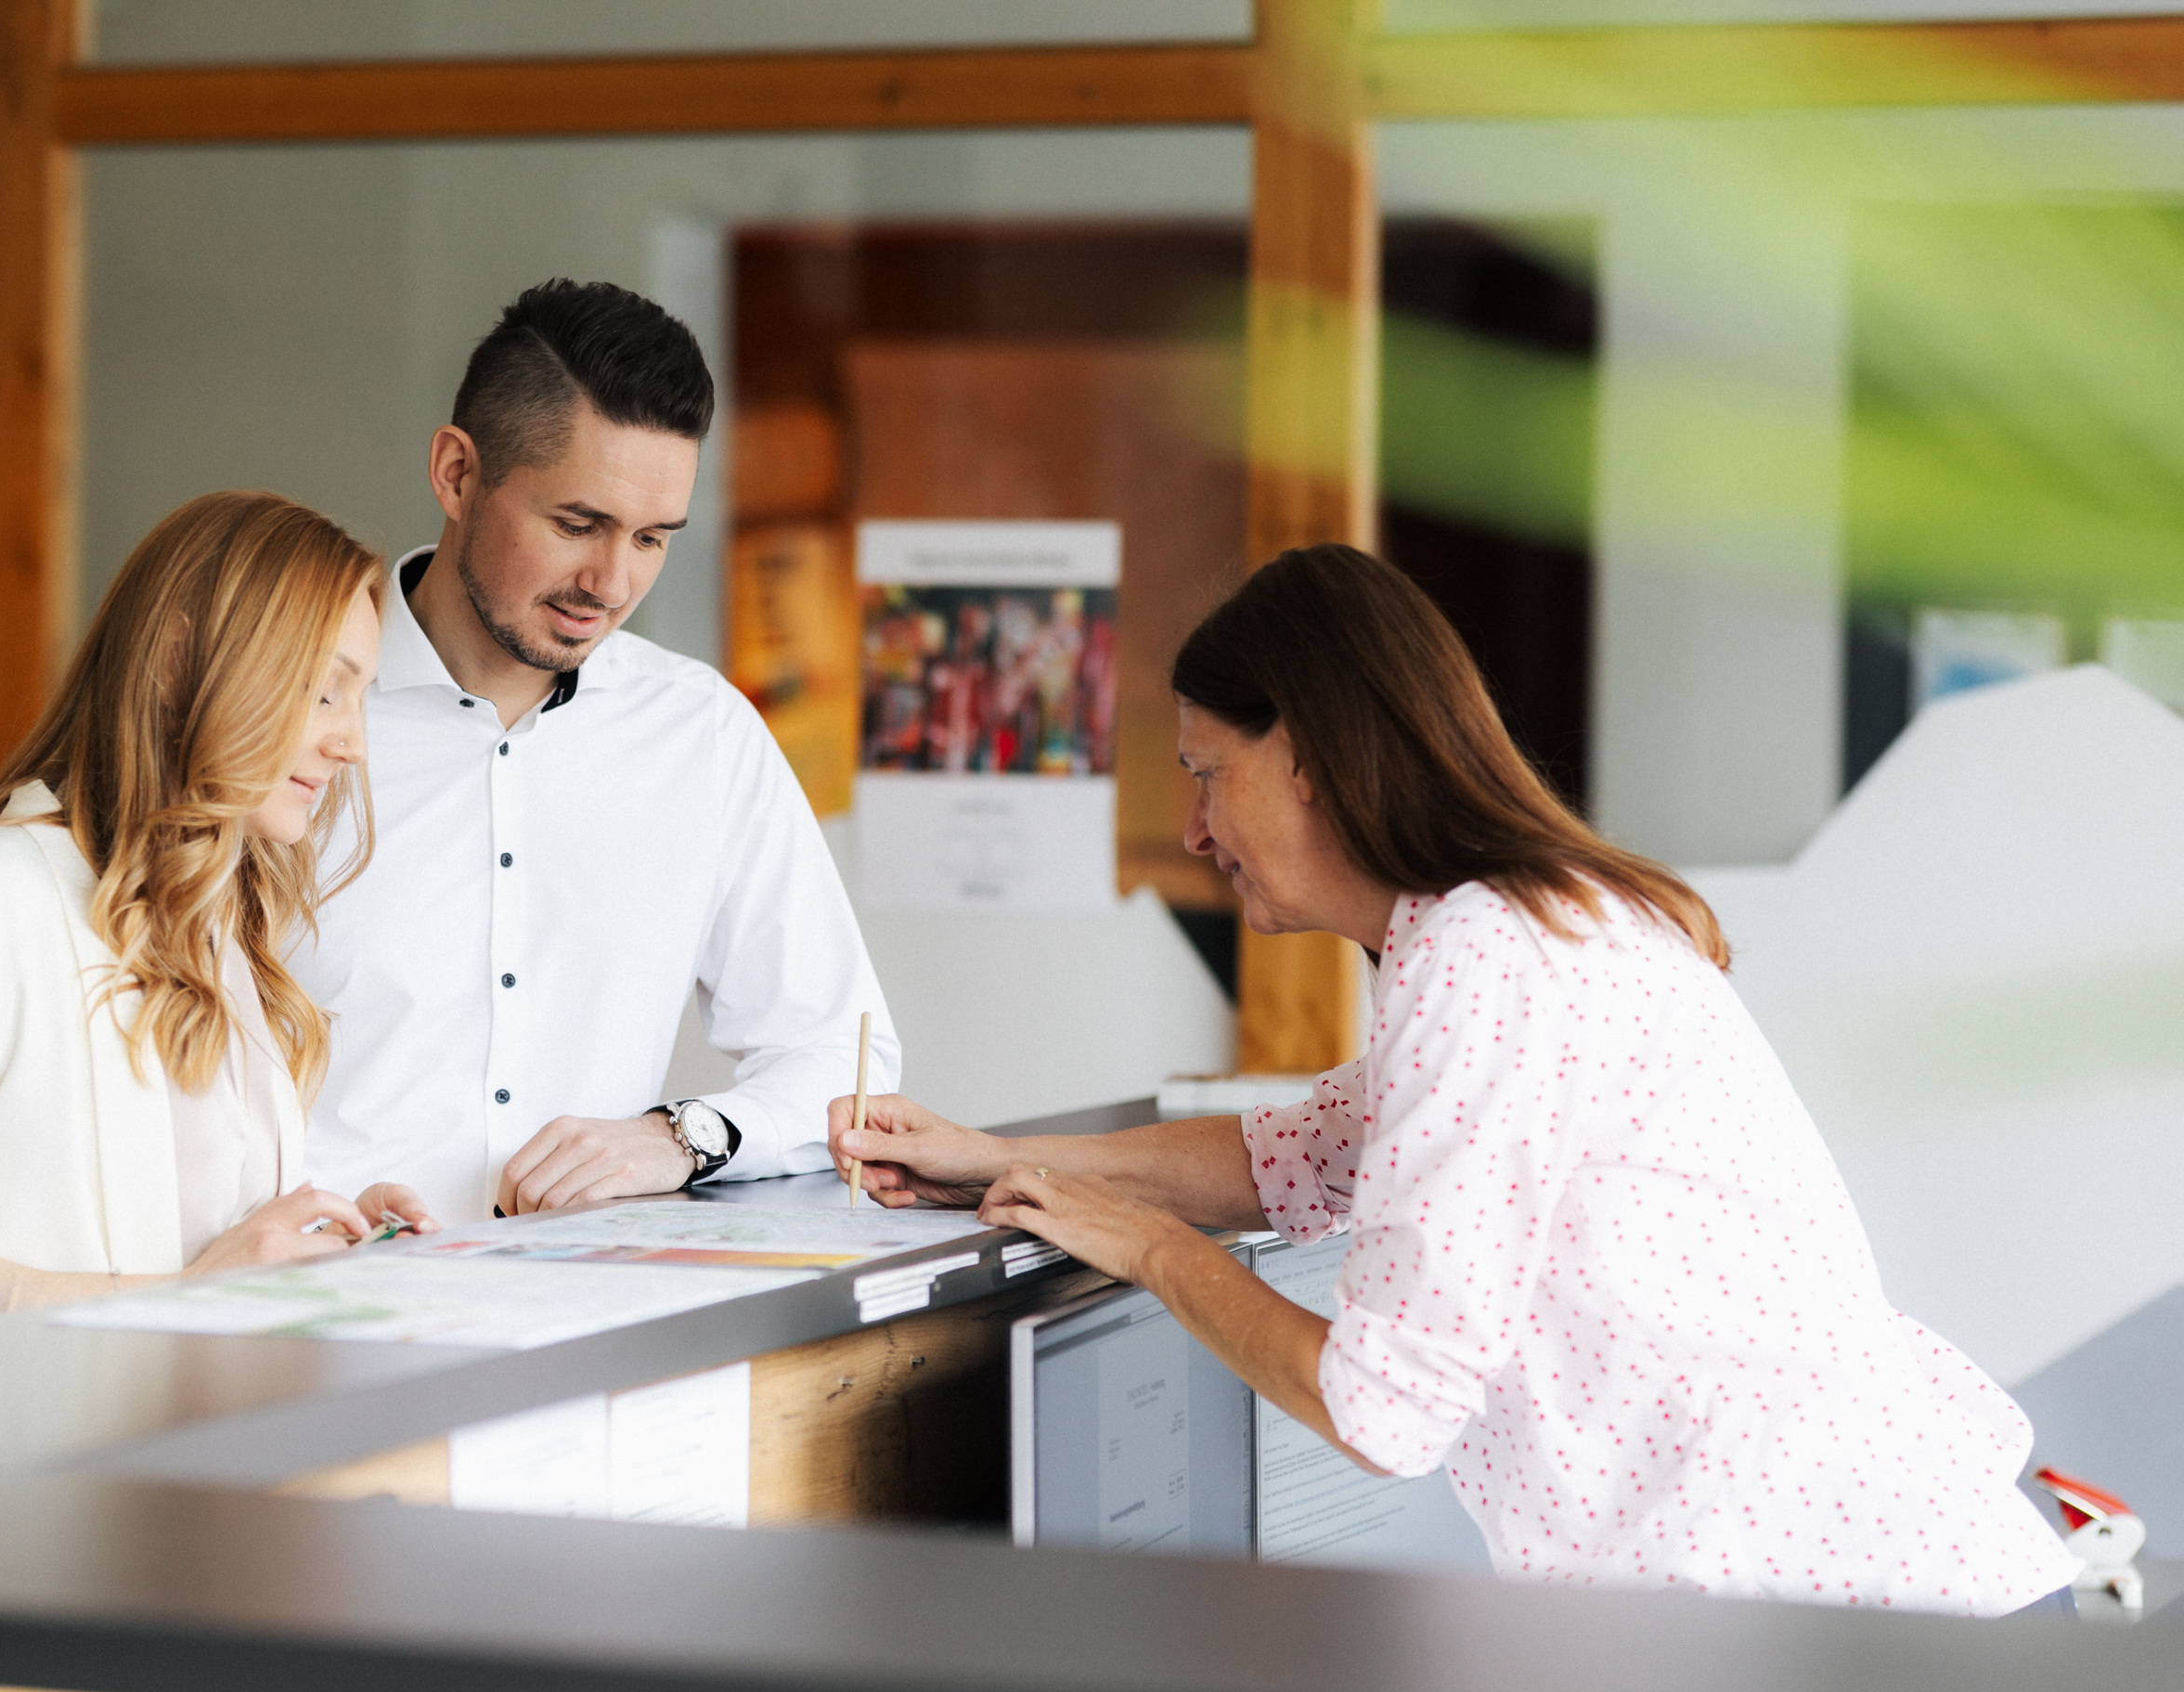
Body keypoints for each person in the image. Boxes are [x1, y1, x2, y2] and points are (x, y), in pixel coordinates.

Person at [831, 544, 2078, 1616]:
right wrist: (1001, 1161)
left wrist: (1151, 1248)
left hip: (1843, 1631)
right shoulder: (1522, 926)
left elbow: (1385, 1407)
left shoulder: (1485, 954)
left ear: (1310, 753)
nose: (1199, 831)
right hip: (1885, 1607)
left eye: (1210, 774)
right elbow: (1303, 1156)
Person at [291, 278, 893, 1222]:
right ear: (456, 474)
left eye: (652, 538)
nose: (612, 584)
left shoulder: (703, 734)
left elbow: (840, 1060)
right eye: (577, 525)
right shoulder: (280, 712)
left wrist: (677, 1137)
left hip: (586, 1325)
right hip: (302, 1321)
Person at [0, 492, 437, 1346]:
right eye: (322, 692)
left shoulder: (230, 943)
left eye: (360, 699)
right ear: (176, 660)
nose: (351, 742)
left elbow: (182, 1235)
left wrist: (320, 1242)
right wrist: (179, 1296)